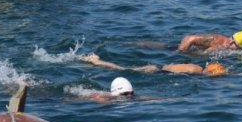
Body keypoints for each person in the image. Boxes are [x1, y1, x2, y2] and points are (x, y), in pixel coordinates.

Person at [80, 54, 229, 76]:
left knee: (124, 68)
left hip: (161, 67)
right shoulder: (194, 71)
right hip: (157, 70)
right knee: (122, 69)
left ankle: (97, 61)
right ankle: (96, 61)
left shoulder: (197, 68)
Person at [176, 31, 242, 54]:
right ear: (232, 42)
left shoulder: (226, 46)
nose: (238, 50)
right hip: (180, 50)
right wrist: (179, 53)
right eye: (239, 47)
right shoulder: (215, 40)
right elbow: (189, 38)